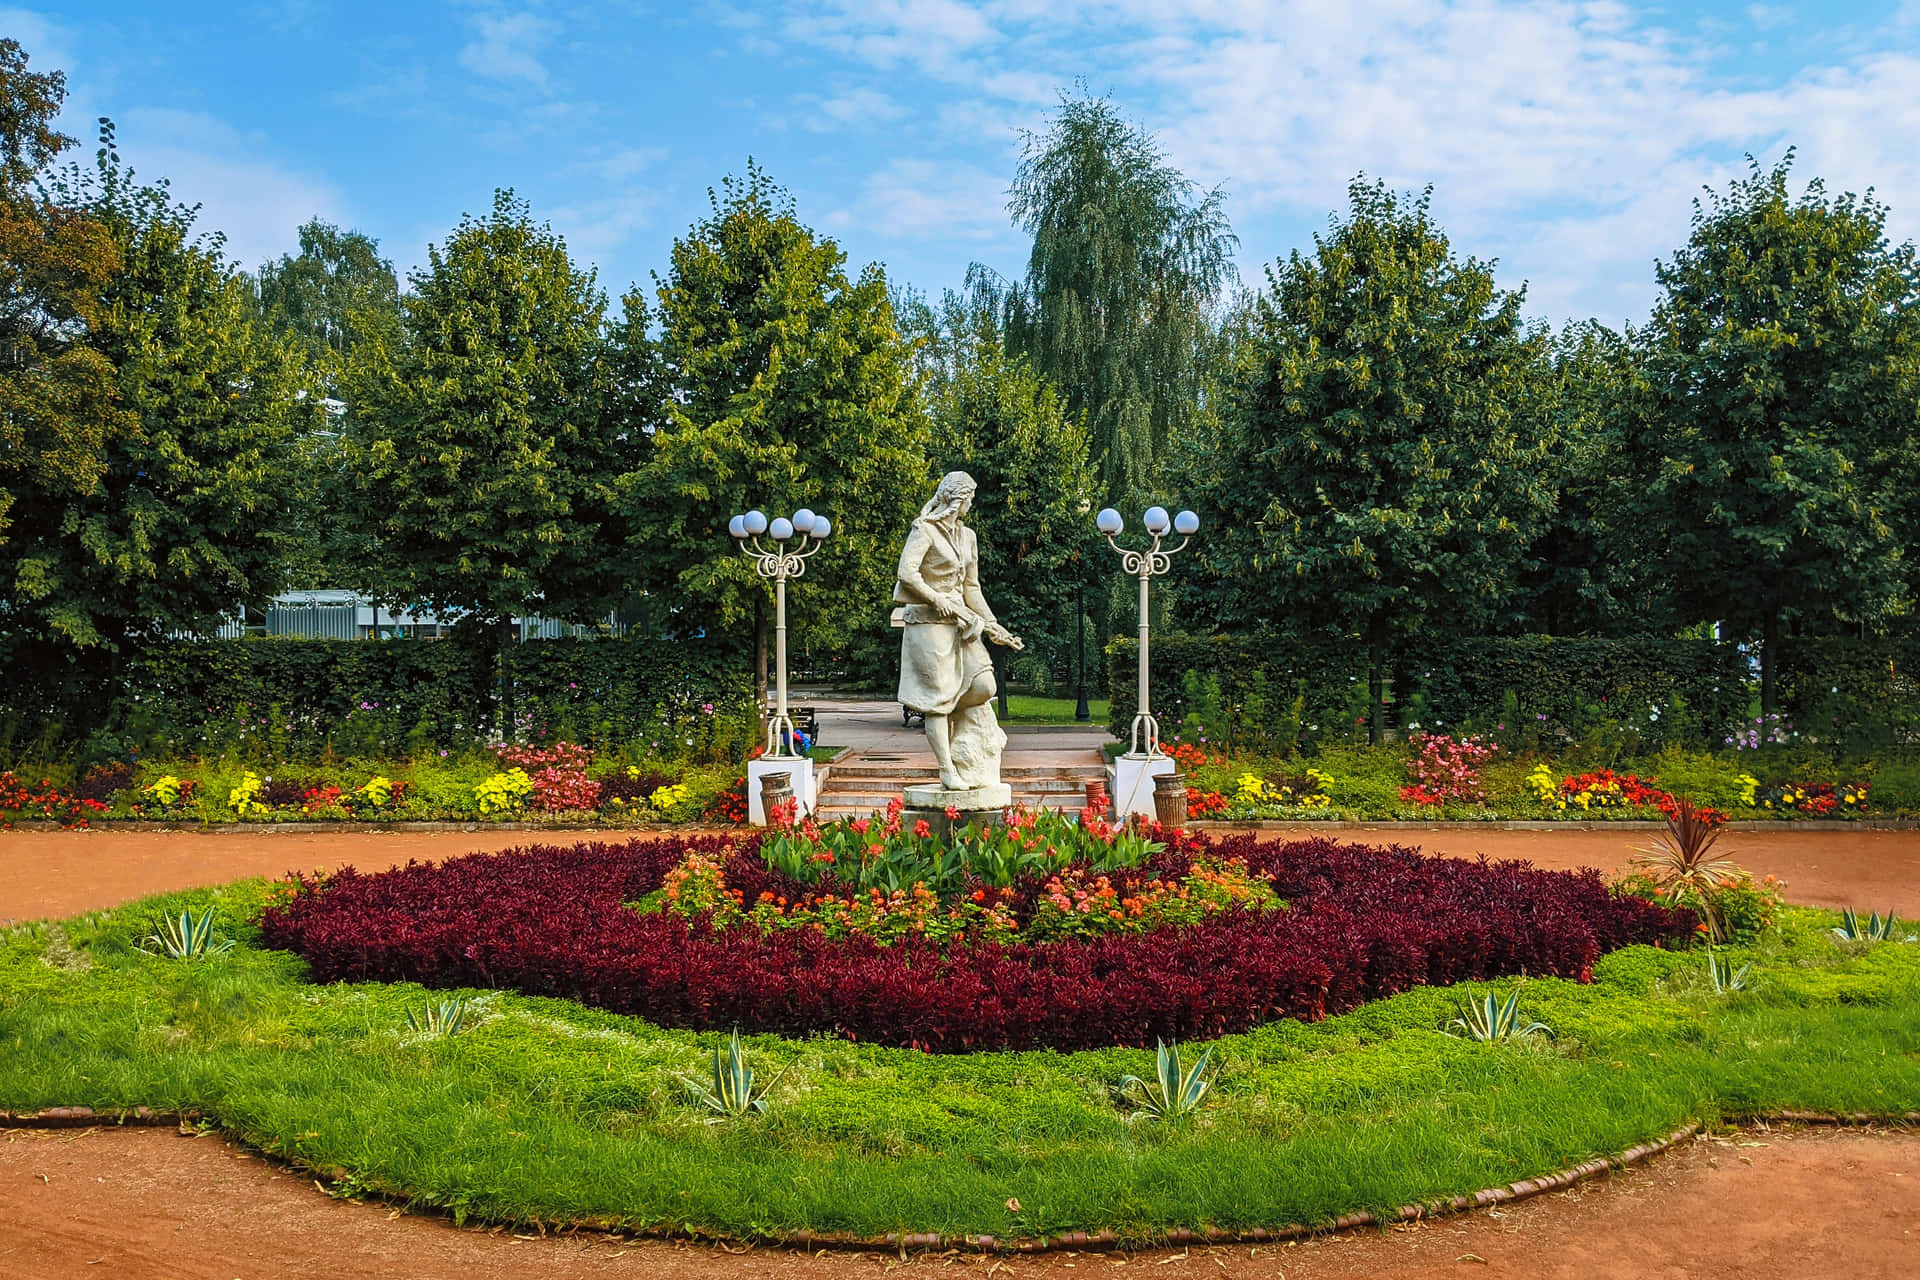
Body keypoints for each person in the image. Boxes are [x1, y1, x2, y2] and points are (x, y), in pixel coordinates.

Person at [894, 471, 1023, 790]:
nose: (972, 504)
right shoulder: (924, 529)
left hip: (962, 622)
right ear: (958, 498)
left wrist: (993, 625)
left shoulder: (968, 537)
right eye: (970, 498)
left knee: (984, 684)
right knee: (938, 700)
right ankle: (947, 768)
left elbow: (972, 587)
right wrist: (937, 599)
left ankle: (962, 731)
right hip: (928, 624)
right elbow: (906, 573)